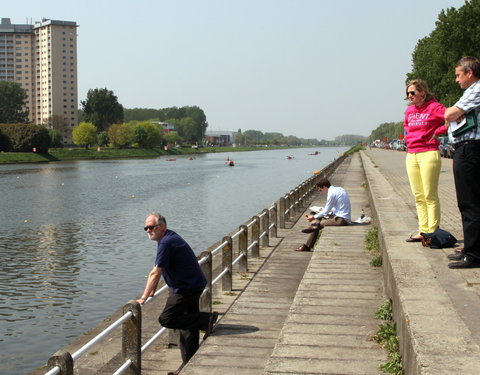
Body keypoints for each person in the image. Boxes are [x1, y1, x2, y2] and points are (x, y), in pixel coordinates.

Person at [137, 213, 218, 374]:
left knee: (167, 318)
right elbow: (165, 268)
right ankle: (187, 365)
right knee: (188, 327)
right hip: (193, 284)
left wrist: (143, 298)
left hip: (185, 288)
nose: (148, 230)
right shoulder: (169, 238)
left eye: (151, 227)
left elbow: (155, 273)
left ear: (161, 227)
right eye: (146, 228)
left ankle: (206, 319)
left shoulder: (166, 242)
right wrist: (152, 290)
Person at [443, 56, 480, 269]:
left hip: (470, 149)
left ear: (469, 73)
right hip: (466, 149)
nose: (456, 80)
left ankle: (474, 255)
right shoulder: (469, 91)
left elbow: (450, 113)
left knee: (470, 204)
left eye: (458, 75)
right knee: (467, 203)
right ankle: (471, 248)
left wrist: (450, 114)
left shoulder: (476, 89)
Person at [403, 79, 447, 243]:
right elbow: (406, 127)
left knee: (430, 195)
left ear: (423, 92)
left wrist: (438, 131)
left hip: (429, 153)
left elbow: (451, 118)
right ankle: (423, 231)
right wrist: (409, 140)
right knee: (418, 195)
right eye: (407, 93)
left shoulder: (434, 107)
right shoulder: (409, 111)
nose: (409, 96)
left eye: (412, 92)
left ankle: (433, 231)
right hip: (412, 154)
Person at [295, 178, 351, 252]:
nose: (320, 192)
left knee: (317, 224)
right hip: (341, 215)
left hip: (341, 220)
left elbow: (326, 211)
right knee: (316, 215)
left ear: (324, 187)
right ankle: (308, 242)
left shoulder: (331, 193)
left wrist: (313, 217)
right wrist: (319, 212)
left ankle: (307, 245)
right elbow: (336, 207)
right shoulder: (339, 189)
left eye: (320, 190)